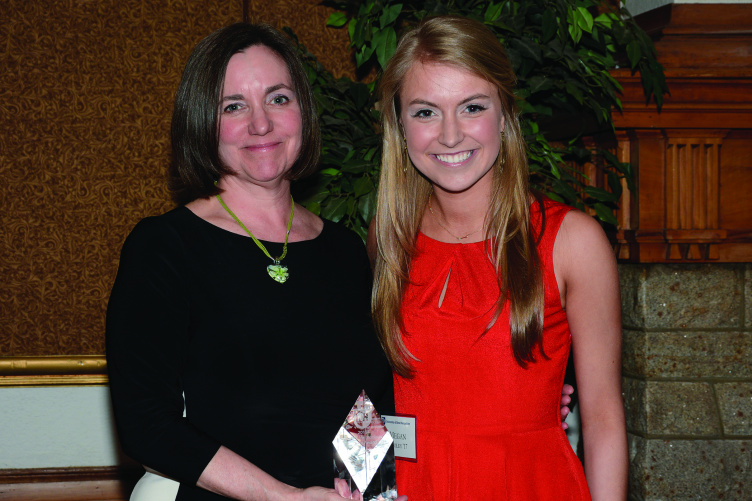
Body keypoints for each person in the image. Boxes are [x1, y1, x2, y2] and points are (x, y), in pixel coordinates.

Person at [106, 23, 395, 501]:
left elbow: (369, 405)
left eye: (278, 99)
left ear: (303, 112)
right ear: (203, 121)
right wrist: (282, 497)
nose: (261, 124)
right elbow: (146, 425)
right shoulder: (163, 246)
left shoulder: (345, 250)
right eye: (233, 106)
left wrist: (367, 493)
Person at [367, 15, 628, 501]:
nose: (449, 135)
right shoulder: (388, 240)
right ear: (399, 125)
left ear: (505, 113)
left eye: (471, 107)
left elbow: (604, 418)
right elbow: (364, 387)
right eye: (425, 112)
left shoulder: (571, 241)